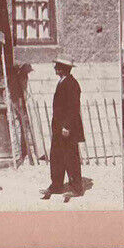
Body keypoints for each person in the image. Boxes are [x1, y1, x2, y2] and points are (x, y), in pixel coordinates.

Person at [42, 57, 85, 200]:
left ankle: (76, 188)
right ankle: (56, 185)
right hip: (59, 127)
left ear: (62, 69)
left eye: (57, 66)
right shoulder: (62, 82)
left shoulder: (72, 84)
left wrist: (67, 126)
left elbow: (73, 108)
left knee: (70, 157)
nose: (55, 68)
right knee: (57, 156)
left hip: (67, 128)